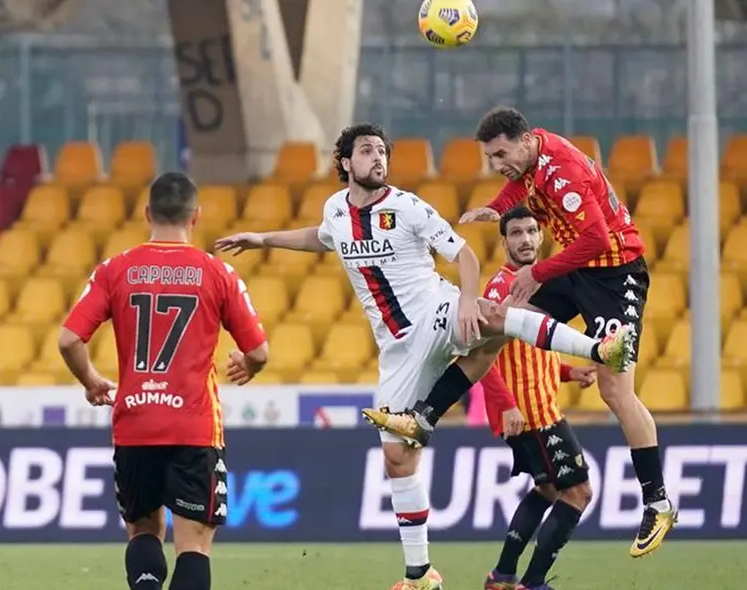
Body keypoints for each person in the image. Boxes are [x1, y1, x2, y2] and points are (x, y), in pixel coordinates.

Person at [215, 123, 634, 590]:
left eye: (382, 151)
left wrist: (469, 301)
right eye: (368, 150)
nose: (378, 157)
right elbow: (323, 235)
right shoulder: (336, 209)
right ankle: (420, 574)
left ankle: (599, 347)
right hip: (398, 350)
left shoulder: (408, 206)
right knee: (397, 457)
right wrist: (264, 239)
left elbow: (466, 257)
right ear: (346, 163)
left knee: (494, 319)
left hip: (436, 309)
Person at [369, 106, 676, 558]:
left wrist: (538, 272)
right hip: (578, 269)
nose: (497, 165)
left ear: (526, 140)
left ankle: (658, 503)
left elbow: (596, 238)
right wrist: (495, 207)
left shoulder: (564, 172)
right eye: (490, 158)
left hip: (615, 275)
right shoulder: (536, 154)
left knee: (615, 390)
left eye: (500, 155)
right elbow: (522, 185)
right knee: (494, 327)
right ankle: (422, 418)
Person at [58, 171, 270, 590]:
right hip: (194, 426)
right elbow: (259, 351)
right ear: (196, 216)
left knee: (143, 531)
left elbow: (68, 340)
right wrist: (250, 365)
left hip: (135, 423)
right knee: (194, 544)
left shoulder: (115, 269)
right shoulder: (218, 273)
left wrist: (91, 380)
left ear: (146, 213)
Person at [478, 205, 596, 590]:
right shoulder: (502, 288)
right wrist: (506, 405)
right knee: (578, 492)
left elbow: (531, 351)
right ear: (504, 242)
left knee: (547, 488)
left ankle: (502, 575)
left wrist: (568, 372)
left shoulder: (537, 285)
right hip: (530, 413)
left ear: (541, 236)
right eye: (516, 233)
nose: (526, 239)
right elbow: (480, 356)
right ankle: (533, 583)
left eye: (531, 231)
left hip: (540, 406)